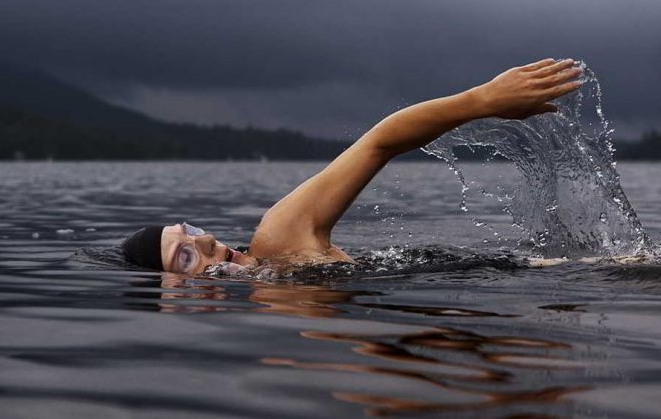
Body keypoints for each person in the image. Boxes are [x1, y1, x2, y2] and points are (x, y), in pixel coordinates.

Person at [121, 58, 584, 275]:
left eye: (191, 230)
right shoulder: (274, 313)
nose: (205, 239)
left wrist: (480, 101)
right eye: (185, 255)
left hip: (556, 275)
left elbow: (378, 143)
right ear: (173, 297)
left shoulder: (279, 241)